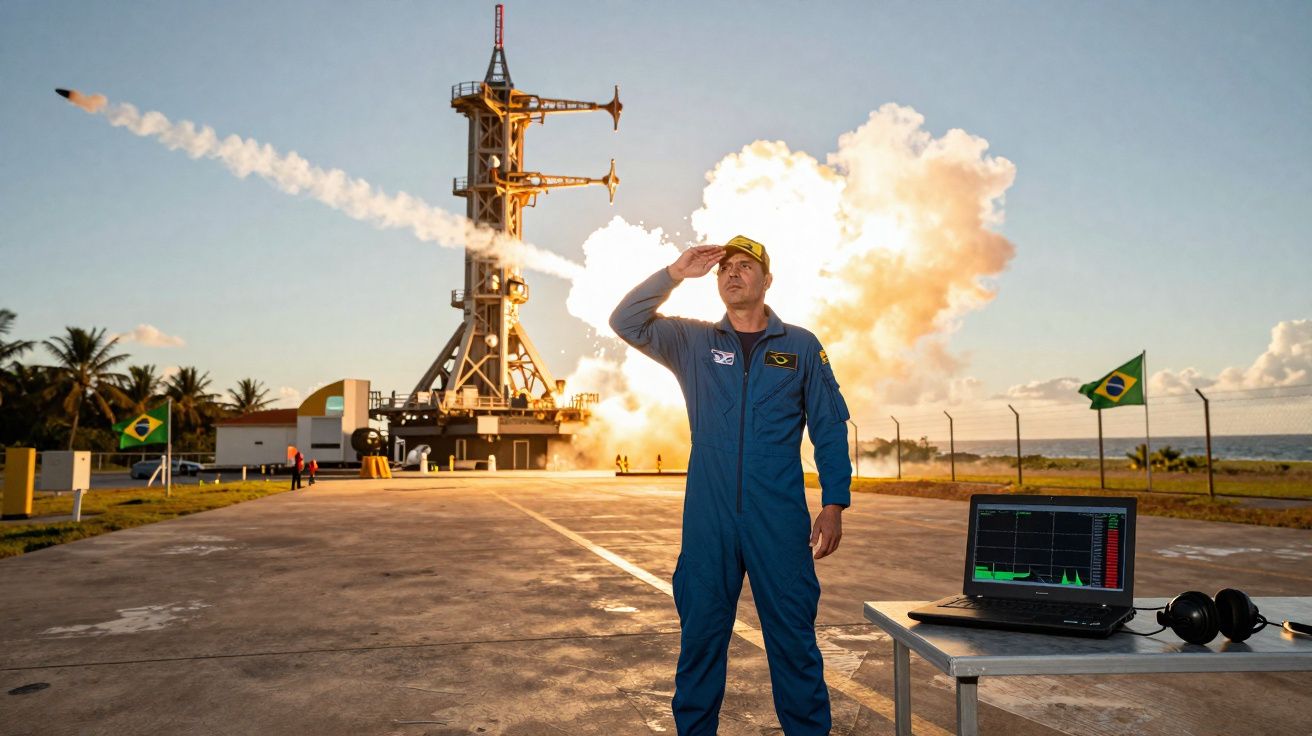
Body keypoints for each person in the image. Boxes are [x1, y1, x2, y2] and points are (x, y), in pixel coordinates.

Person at [609, 235, 851, 735]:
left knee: (793, 642)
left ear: (768, 280)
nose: (732, 274)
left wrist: (834, 503)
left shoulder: (801, 346)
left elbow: (829, 428)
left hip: (777, 518)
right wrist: (675, 273)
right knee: (700, 639)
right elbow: (626, 321)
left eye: (745, 266)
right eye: (725, 268)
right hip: (710, 519)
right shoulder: (694, 342)